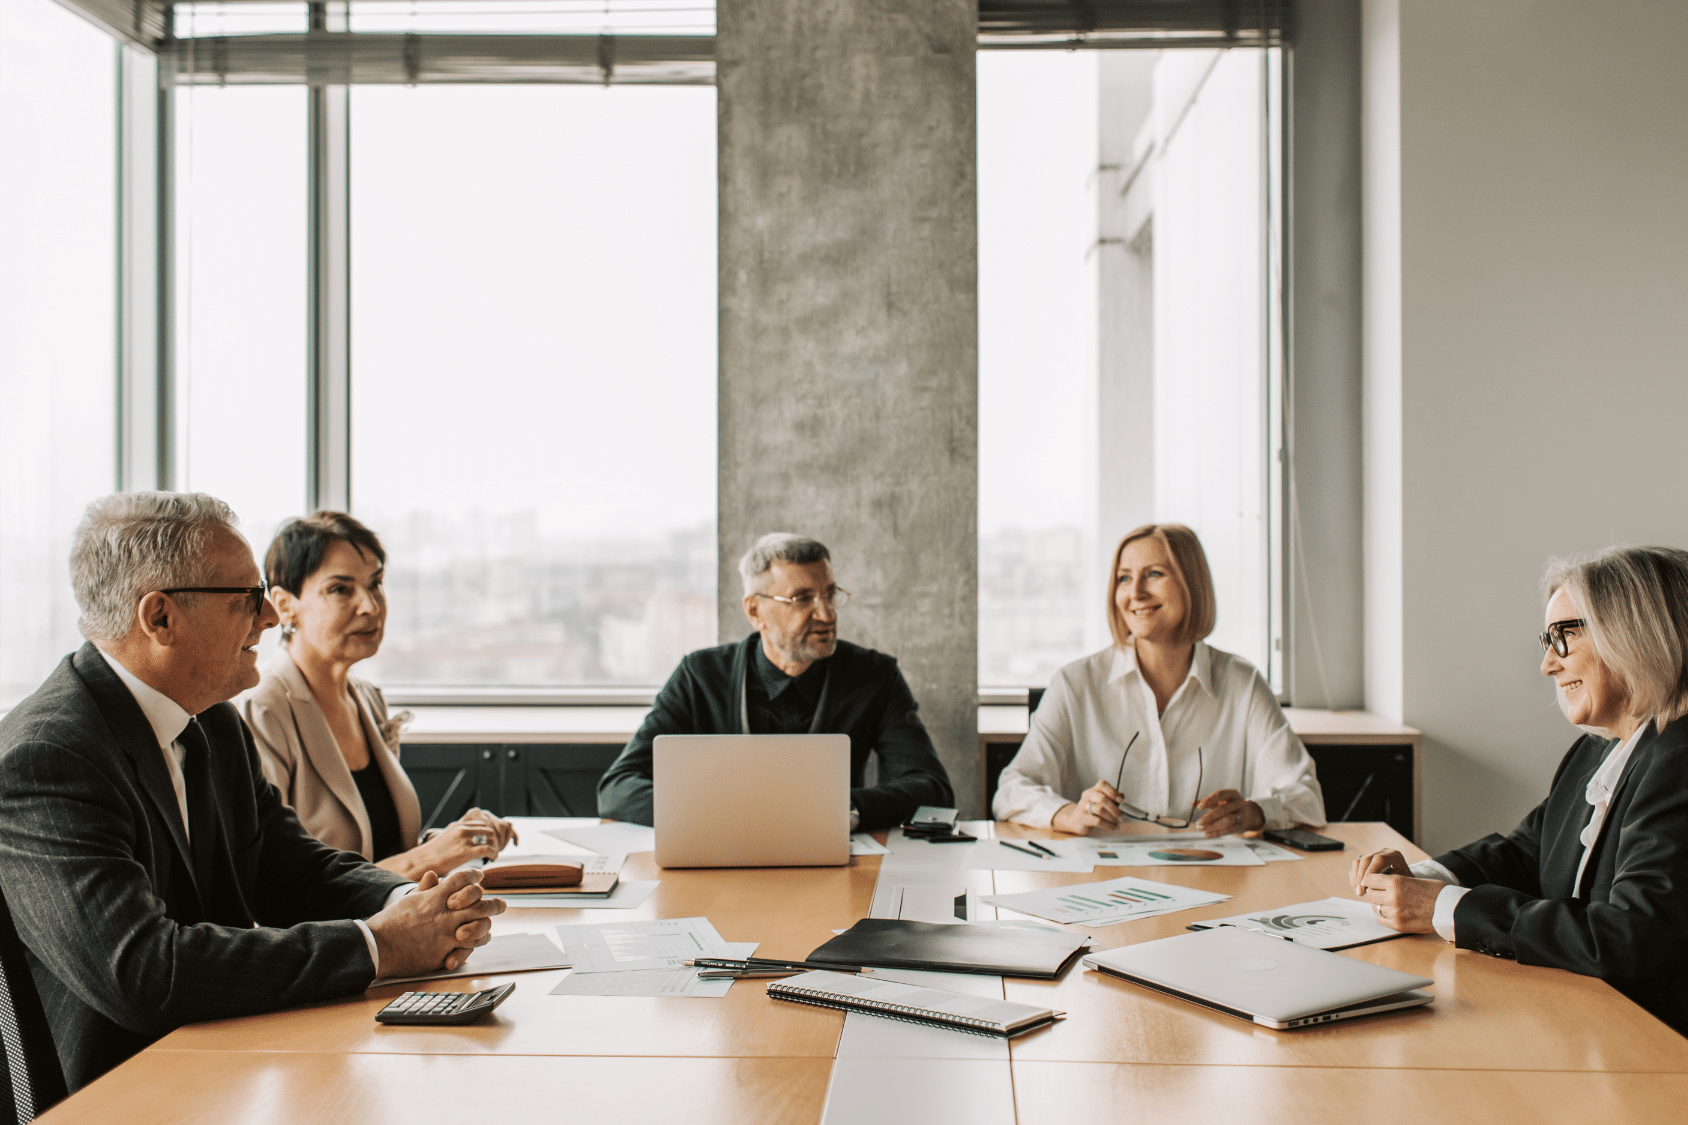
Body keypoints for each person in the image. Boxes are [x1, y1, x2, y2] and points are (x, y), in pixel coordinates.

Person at [0, 492, 506, 1093]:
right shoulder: (45, 758)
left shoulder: (209, 718)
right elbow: (144, 972)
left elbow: (291, 869)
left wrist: (417, 901)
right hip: (125, 1093)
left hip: (228, 1062)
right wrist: (381, 946)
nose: (269, 617)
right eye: (246, 598)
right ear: (159, 617)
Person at [1352, 545, 1688, 1036]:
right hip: (1585, 1021)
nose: (1548, 664)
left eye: (1563, 636)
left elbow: (1629, 935)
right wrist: (1427, 875)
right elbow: (1530, 850)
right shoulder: (1597, 750)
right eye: (1546, 640)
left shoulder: (1679, 758)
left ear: (1634, 633)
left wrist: (1448, 908)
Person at [596, 533, 953, 830]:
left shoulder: (873, 676)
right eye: (802, 599)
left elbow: (932, 789)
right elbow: (617, 788)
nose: (827, 613)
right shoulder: (700, 676)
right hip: (723, 862)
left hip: (832, 861)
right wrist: (725, 815)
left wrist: (843, 810)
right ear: (755, 611)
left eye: (829, 594)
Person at [993, 523, 1324, 837]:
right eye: (1124, 578)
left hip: (1213, 877)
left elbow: (1305, 796)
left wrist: (1254, 812)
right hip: (1103, 879)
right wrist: (1069, 814)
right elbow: (1011, 789)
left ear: (1191, 584)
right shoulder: (1074, 683)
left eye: (1153, 574)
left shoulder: (1243, 683)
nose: (1134, 592)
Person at [239, 512, 516, 880]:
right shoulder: (261, 709)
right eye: (340, 589)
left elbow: (385, 852)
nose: (370, 605)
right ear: (285, 604)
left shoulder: (367, 699)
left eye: (376, 583)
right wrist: (425, 859)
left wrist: (452, 843)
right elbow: (274, 887)